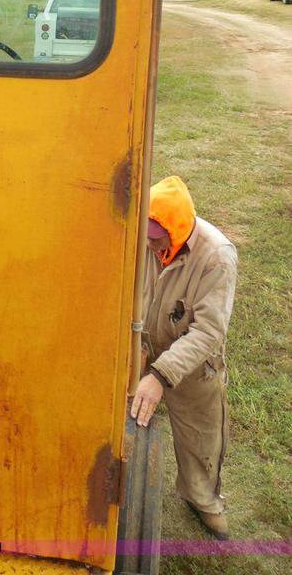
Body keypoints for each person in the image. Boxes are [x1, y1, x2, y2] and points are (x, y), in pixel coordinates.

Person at [130, 175, 238, 540]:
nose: (147, 242)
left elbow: (209, 332)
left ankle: (203, 500)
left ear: (174, 234)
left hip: (193, 366)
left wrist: (160, 376)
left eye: (154, 237)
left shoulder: (216, 257)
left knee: (201, 438)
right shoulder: (145, 238)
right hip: (143, 344)